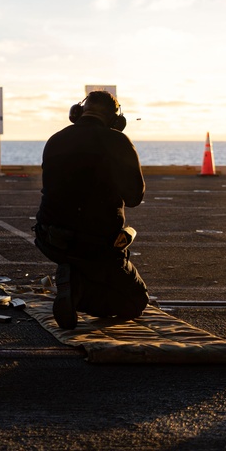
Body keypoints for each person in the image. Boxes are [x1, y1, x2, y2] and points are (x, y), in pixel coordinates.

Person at [34, 90, 150, 330]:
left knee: (87, 264)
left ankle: (72, 277)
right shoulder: (118, 141)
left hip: (50, 238)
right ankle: (78, 288)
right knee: (135, 302)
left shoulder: (55, 139)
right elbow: (134, 198)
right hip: (96, 244)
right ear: (116, 120)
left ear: (77, 113)